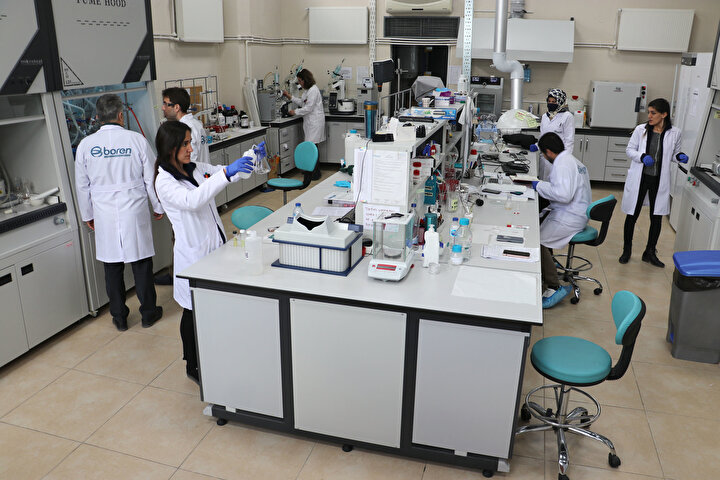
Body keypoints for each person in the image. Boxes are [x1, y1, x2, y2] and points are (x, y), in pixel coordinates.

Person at [154, 121, 255, 383]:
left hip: (213, 248)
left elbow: (221, 173)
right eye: (185, 144)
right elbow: (193, 200)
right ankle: (193, 364)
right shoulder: (164, 181)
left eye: (190, 143)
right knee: (192, 311)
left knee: (212, 307)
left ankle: (215, 352)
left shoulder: (194, 167)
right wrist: (226, 174)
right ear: (171, 148)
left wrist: (249, 159)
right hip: (193, 255)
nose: (191, 148)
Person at [75, 94, 164, 331]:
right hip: (134, 207)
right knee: (141, 263)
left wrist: (87, 215)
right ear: (121, 115)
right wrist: (158, 206)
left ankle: (120, 317)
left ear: (97, 117)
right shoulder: (136, 140)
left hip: (103, 212)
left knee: (112, 266)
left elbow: (82, 185)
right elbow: (151, 177)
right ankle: (148, 314)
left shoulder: (86, 145)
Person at [619, 98, 688, 268]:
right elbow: (630, 150)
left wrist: (679, 156)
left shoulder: (675, 133)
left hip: (659, 179)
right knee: (632, 215)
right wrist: (642, 156)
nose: (649, 116)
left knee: (656, 217)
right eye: (649, 112)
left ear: (664, 114)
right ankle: (627, 250)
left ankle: (650, 252)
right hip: (641, 178)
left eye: (653, 113)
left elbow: (673, 154)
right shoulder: (640, 130)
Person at [530, 132, 592, 309]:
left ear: (549, 152)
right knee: (539, 226)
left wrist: (538, 185)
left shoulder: (563, 164)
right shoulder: (571, 160)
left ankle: (553, 286)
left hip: (571, 216)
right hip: (576, 211)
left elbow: (563, 195)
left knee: (536, 241)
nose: (544, 157)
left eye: (543, 154)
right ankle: (548, 269)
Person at [282, 69, 325, 180]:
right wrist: (289, 96)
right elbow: (302, 102)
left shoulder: (313, 90)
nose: (299, 83)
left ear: (306, 80)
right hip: (311, 122)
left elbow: (308, 108)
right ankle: (311, 170)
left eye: (300, 81)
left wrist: (295, 112)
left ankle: (315, 173)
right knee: (311, 147)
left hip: (315, 122)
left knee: (313, 147)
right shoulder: (307, 91)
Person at [530, 88, 575, 181]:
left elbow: (569, 141)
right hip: (545, 156)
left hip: (558, 157)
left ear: (560, 102)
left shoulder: (567, 116)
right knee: (543, 181)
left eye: (554, 102)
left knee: (556, 182)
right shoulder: (545, 117)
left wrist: (565, 159)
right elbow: (542, 137)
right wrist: (537, 146)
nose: (550, 104)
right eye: (549, 101)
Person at [161, 87, 210, 165]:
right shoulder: (195, 123)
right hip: (202, 170)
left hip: (194, 171)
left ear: (176, 107)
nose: (163, 108)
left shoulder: (185, 128)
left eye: (166, 104)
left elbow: (189, 161)